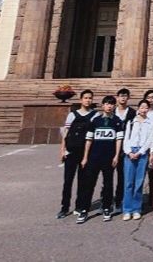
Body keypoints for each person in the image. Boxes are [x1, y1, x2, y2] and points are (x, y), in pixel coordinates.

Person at [77, 95, 124, 223]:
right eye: (107, 104)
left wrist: (116, 155)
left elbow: (118, 140)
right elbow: (89, 140)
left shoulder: (117, 121)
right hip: (94, 157)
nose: (109, 106)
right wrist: (85, 157)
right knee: (89, 183)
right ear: (102, 105)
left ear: (114, 106)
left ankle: (107, 207)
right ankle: (84, 210)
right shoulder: (95, 121)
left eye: (111, 104)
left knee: (108, 183)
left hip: (109, 157)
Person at [58, 89, 95, 220]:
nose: (88, 100)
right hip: (71, 151)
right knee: (68, 181)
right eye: (85, 98)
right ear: (81, 100)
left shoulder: (95, 115)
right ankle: (64, 207)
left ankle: (79, 206)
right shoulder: (72, 115)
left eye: (90, 98)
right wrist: (62, 150)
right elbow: (65, 133)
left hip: (85, 153)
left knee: (83, 181)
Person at [121, 98, 153, 220]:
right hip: (130, 152)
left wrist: (140, 152)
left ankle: (136, 209)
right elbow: (126, 138)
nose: (144, 110)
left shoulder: (151, 123)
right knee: (128, 183)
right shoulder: (131, 122)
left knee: (139, 183)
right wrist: (129, 152)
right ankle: (127, 209)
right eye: (142, 107)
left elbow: (150, 139)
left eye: (146, 108)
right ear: (138, 108)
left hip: (142, 153)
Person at [112, 88, 136, 212]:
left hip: (125, 148)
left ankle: (119, 200)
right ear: (117, 97)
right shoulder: (111, 111)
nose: (123, 98)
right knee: (107, 176)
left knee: (123, 176)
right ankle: (106, 200)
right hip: (111, 147)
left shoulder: (132, 113)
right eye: (121, 95)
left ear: (128, 98)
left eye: (125, 96)